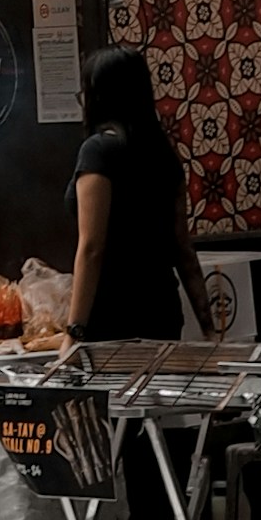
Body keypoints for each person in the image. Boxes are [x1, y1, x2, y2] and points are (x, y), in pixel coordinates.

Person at [67, 46, 213, 338]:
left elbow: (92, 248)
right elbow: (183, 247)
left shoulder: (98, 151)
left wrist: (74, 331)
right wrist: (209, 328)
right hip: (162, 314)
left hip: (112, 318)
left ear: (97, 95)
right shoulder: (163, 156)